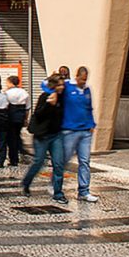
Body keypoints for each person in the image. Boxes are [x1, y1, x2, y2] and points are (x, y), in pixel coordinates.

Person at [44, 65, 99, 202]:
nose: (83, 82)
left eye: (85, 80)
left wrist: (92, 124)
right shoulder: (68, 86)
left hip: (85, 131)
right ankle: (55, 185)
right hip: (69, 130)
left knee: (85, 161)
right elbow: (45, 84)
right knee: (63, 160)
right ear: (77, 76)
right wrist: (53, 93)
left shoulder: (87, 90)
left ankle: (84, 191)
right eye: (82, 79)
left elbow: (89, 107)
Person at [21, 74, 67, 203]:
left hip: (56, 135)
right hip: (42, 136)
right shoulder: (45, 97)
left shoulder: (63, 98)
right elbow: (38, 115)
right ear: (53, 86)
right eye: (59, 85)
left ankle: (58, 193)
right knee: (39, 161)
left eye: (62, 85)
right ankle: (26, 182)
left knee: (58, 164)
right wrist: (49, 104)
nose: (62, 87)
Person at [4, 75, 29, 166]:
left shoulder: (7, 93)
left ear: (10, 83)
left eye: (7, 82)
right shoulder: (24, 92)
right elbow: (27, 108)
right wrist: (26, 119)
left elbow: (4, 105)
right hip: (20, 115)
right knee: (17, 134)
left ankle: (13, 158)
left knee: (10, 138)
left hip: (10, 116)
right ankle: (20, 151)